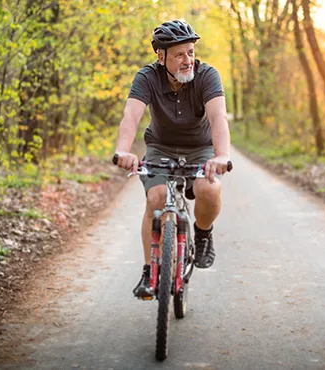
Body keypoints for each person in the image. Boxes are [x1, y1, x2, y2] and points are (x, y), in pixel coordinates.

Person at [112, 20, 232, 298]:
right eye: (179, 54)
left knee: (209, 189)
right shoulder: (147, 77)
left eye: (190, 52)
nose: (187, 59)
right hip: (161, 148)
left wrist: (222, 155)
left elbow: (218, 118)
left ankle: (202, 233)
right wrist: (123, 150)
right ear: (161, 56)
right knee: (155, 199)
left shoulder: (207, 75)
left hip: (200, 148)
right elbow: (131, 116)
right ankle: (149, 271)